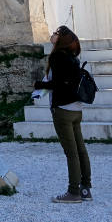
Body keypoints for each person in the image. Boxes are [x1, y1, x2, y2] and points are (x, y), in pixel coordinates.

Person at [33, 26, 92, 203]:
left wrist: (39, 86)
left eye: (56, 33)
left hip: (63, 109)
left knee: (71, 152)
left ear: (61, 39)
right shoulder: (73, 57)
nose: (52, 35)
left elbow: (58, 84)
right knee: (81, 149)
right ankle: (85, 189)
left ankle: (73, 192)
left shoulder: (58, 56)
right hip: (76, 108)